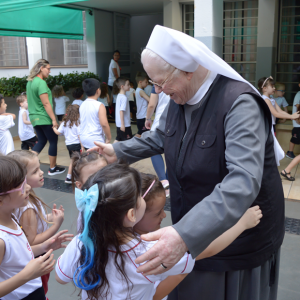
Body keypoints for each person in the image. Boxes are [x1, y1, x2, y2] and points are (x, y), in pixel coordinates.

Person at [89, 25, 286, 300]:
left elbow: (243, 180)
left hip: (235, 242)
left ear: (187, 70)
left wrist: (184, 235)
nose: (157, 90)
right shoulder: (177, 97)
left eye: (161, 83)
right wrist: (118, 150)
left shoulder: (238, 104)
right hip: (192, 231)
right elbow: (161, 136)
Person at [55, 163, 262, 299]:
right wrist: (241, 224)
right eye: (138, 196)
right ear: (131, 215)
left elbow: (60, 277)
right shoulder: (145, 252)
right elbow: (205, 249)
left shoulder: (81, 242)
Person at [134, 173, 263, 300]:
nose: (164, 215)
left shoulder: (118, 242)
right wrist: (242, 224)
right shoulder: (147, 250)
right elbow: (209, 249)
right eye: (158, 213)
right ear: (133, 215)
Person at [0, 156, 72, 300]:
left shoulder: (11, 218)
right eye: (20, 186)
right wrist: (27, 275)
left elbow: (16, 255)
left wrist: (43, 247)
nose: (27, 188)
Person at [26, 59, 65, 176]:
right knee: (53, 140)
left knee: (42, 140)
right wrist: (54, 119)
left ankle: (26, 165)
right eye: (48, 68)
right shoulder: (41, 82)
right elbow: (46, 103)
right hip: (43, 117)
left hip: (34, 117)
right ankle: (52, 169)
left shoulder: (30, 82)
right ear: (41, 68)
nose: (49, 71)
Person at [145, 86, 170, 192]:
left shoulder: (157, 83)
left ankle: (163, 180)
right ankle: (170, 181)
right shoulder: (177, 77)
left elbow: (151, 105)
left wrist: (148, 118)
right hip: (175, 121)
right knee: (172, 152)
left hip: (160, 121)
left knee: (154, 149)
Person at [52, 105, 84, 184]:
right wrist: (82, 146)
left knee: (73, 160)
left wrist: (54, 128)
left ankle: (70, 177)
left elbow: (58, 133)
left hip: (69, 145)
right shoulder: (77, 123)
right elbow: (79, 135)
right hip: (76, 144)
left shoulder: (64, 123)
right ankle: (73, 178)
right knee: (76, 162)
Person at [80, 78, 111, 150]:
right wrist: (109, 138)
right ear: (98, 91)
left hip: (84, 138)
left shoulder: (82, 104)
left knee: (90, 159)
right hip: (96, 139)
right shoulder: (100, 105)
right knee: (99, 160)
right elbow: (104, 124)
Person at [114, 77, 132, 142]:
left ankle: (108, 151)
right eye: (128, 84)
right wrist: (123, 124)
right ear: (122, 86)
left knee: (118, 139)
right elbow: (121, 111)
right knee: (128, 142)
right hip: (124, 124)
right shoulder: (124, 98)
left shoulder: (119, 95)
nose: (129, 86)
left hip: (119, 123)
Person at [287, 80, 300, 159]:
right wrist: (297, 119)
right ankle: (290, 152)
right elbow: (298, 106)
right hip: (297, 122)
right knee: (294, 138)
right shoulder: (299, 94)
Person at [135, 72, 150, 137]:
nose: (147, 83)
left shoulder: (137, 90)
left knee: (143, 133)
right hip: (142, 116)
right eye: (146, 82)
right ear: (140, 82)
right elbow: (150, 100)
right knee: (140, 133)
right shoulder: (141, 91)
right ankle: (130, 142)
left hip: (140, 116)